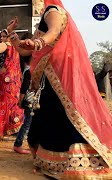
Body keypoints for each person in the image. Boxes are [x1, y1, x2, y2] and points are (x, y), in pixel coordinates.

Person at [9, 0, 112, 178]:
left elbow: (53, 32)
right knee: (49, 116)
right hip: (47, 79)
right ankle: (52, 160)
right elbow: (25, 51)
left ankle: (78, 160)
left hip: (56, 77)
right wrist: (13, 35)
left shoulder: (53, 10)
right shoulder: (45, 14)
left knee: (62, 115)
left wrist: (38, 43)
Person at [13, 37, 33, 154]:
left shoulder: (27, 70)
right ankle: (18, 144)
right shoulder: (29, 71)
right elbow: (24, 88)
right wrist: (20, 101)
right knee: (27, 123)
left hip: (29, 100)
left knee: (29, 123)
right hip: (30, 100)